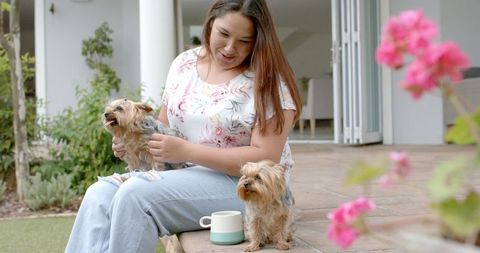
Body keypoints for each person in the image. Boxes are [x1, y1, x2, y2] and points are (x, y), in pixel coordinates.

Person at [64, 0, 302, 252]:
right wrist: (132, 140)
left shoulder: (268, 81)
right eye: (223, 34)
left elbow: (267, 157)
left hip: (243, 185)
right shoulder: (184, 64)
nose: (231, 48)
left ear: (258, 41)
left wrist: (186, 151)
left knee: (135, 194)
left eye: (244, 41)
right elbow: (163, 126)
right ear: (210, 24)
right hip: (180, 175)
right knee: (98, 194)